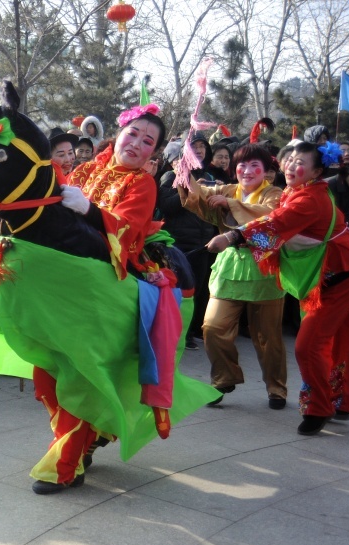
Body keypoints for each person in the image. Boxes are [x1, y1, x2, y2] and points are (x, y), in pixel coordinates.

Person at [43, 105, 169, 492]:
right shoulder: (84, 169)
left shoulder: (143, 184)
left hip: (104, 288)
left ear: (154, 154)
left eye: (148, 142)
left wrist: (92, 212)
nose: (137, 144)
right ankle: (89, 436)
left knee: (82, 377)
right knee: (47, 374)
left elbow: (128, 234)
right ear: (120, 132)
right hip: (62, 281)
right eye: (133, 134)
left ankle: (63, 465)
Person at [206, 141, 349, 435]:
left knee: (308, 345)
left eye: (300, 161)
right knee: (339, 340)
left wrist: (230, 239)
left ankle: (320, 408)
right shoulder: (297, 191)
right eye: (289, 159)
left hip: (337, 279)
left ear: (317, 171)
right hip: (322, 276)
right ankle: (340, 400)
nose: (291, 165)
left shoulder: (309, 199)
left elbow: (274, 223)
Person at [179, 143, 287, 409]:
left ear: (266, 171)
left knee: (267, 336)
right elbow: (200, 195)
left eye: (254, 166)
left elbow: (271, 217)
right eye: (241, 165)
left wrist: (231, 204)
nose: (246, 171)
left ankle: (277, 388)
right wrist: (182, 171)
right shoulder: (228, 188)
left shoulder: (275, 194)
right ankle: (223, 378)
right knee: (213, 327)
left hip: (264, 268)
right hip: (230, 267)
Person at [158, 134, 220, 349]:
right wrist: (189, 188)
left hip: (203, 241)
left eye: (203, 146)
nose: (200, 150)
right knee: (179, 290)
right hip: (179, 243)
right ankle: (175, 334)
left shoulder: (208, 175)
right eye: (196, 146)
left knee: (199, 289)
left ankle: (191, 331)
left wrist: (217, 191)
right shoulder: (171, 176)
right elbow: (167, 206)